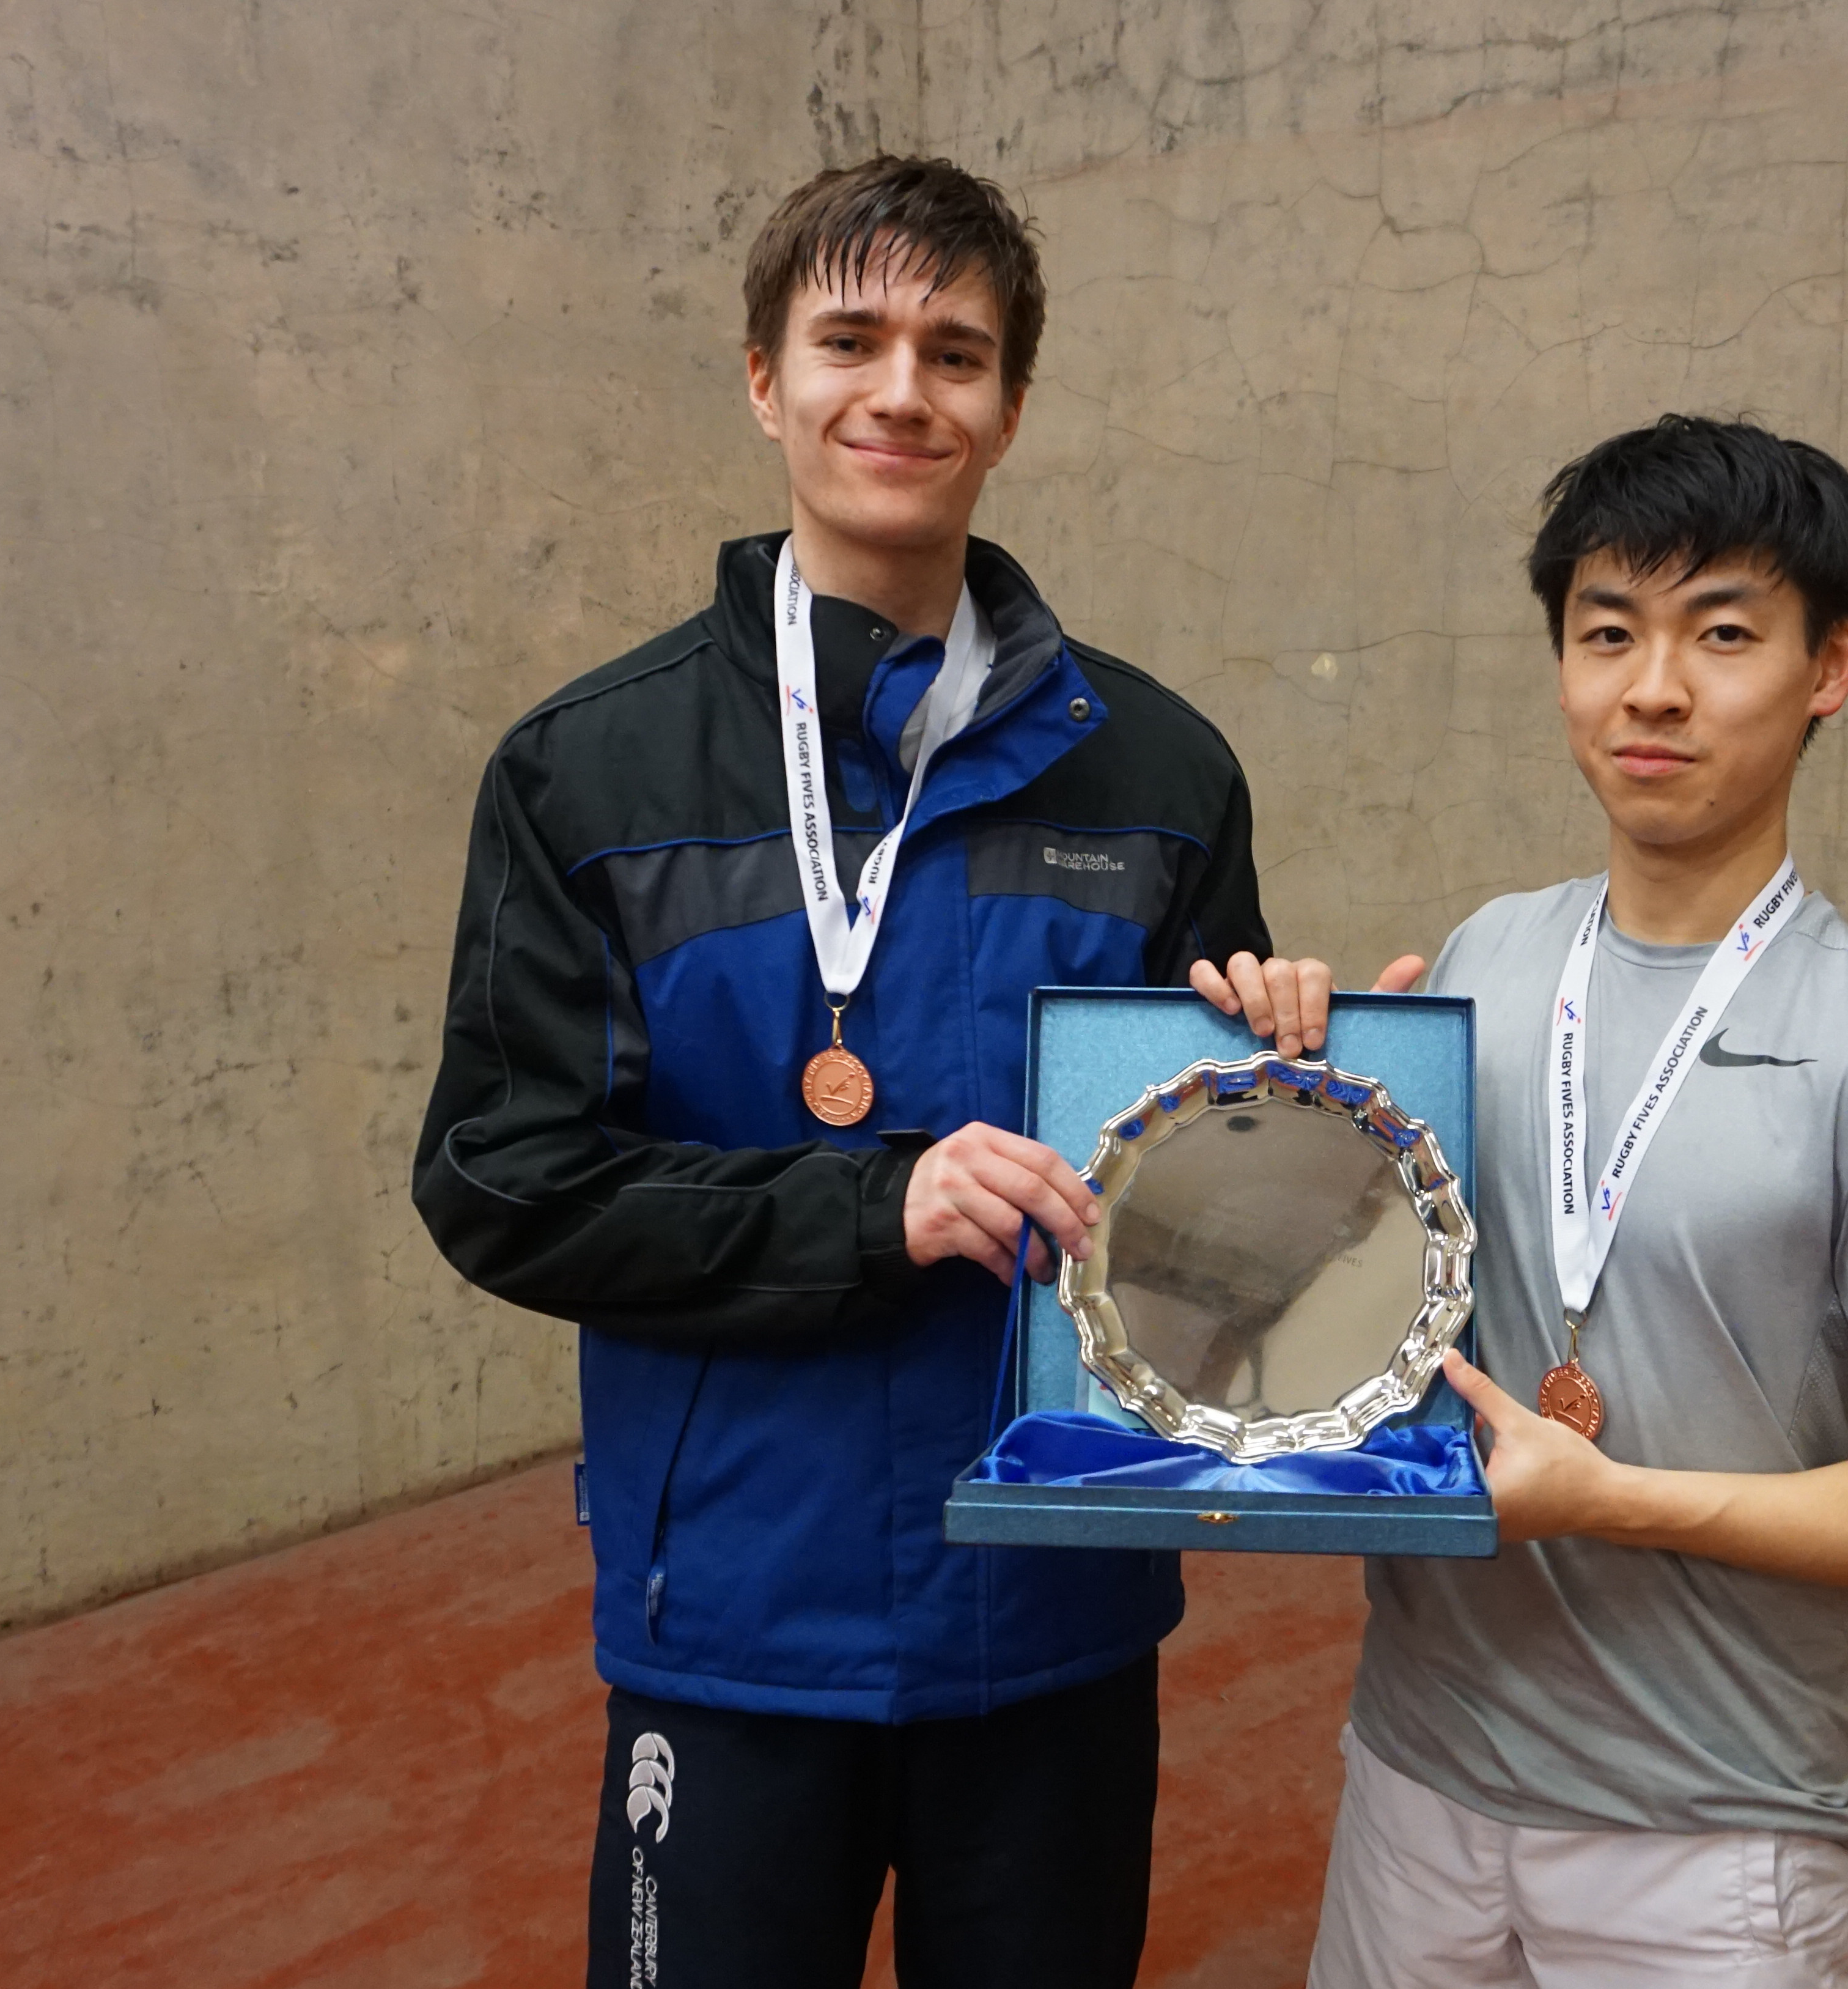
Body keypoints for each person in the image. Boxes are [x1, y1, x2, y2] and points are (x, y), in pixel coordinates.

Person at [410, 155, 1398, 1989]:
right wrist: (881, 1209)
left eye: (956, 352)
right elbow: (505, 1179)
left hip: (1053, 1614)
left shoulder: (1159, 773)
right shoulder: (588, 774)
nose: (901, 391)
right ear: (763, 379)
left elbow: (1206, 1240)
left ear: (1009, 406)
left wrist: (1309, 1100)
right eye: (848, 339)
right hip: (732, 1619)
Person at [1308, 415, 1848, 1989]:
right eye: (1608, 633)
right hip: (1417, 1774)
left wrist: (1613, 1499)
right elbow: (1387, 1311)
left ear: (1828, 667)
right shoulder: (1485, 957)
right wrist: (1304, 1107)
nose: (1652, 687)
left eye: (1722, 634)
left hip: (1710, 1836)